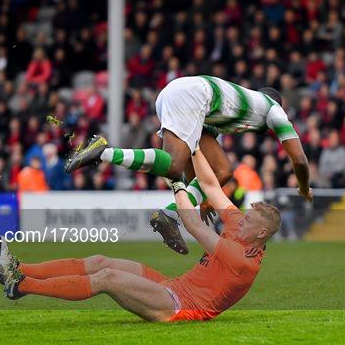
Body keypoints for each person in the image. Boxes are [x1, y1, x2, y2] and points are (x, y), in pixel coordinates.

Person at [0, 147, 281, 322]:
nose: (240, 219)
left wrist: (176, 184)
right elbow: (211, 185)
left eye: (249, 220)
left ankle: (21, 285)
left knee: (107, 278)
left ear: (262, 232)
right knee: (99, 261)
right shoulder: (238, 227)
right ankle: (17, 268)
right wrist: (193, 144)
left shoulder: (244, 260)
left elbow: (193, 225)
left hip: (178, 306)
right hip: (173, 286)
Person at [65, 75, 311, 254]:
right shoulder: (273, 109)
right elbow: (299, 159)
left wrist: (198, 200)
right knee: (173, 164)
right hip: (191, 95)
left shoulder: (237, 108)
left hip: (178, 94)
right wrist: (303, 187)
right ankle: (104, 152)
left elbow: (200, 160)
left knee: (222, 171)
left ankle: (169, 214)